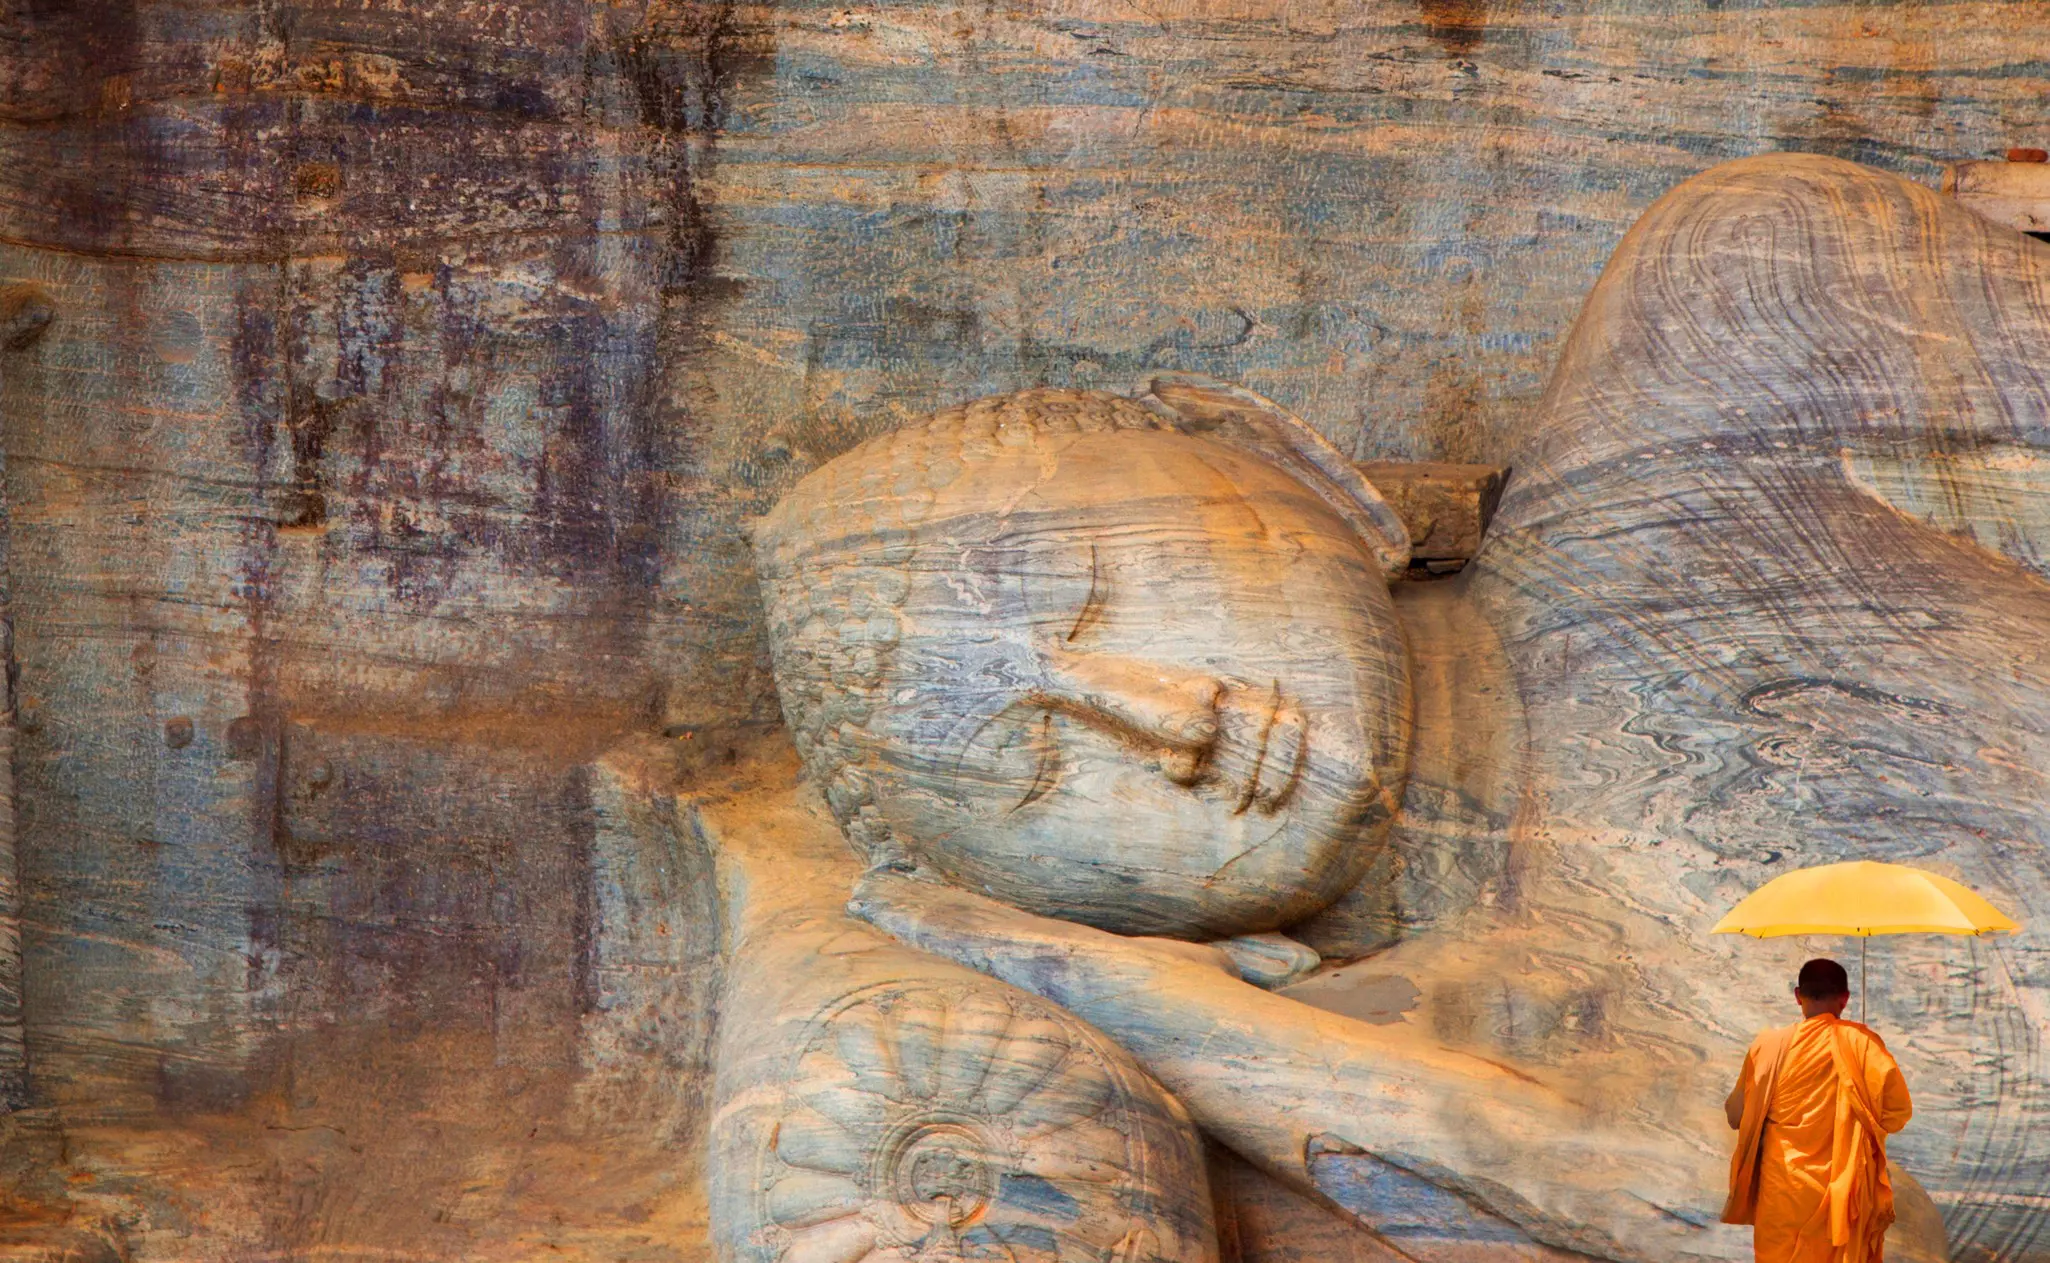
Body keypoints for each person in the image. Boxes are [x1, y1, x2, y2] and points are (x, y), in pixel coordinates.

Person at [1724, 959, 1914, 1263]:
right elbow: (1897, 1114)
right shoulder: (1862, 1044)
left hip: (1781, 1194)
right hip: (1840, 1197)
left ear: (1798, 996)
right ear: (1845, 998)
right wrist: (1861, 1110)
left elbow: (1736, 1115)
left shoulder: (1767, 1046)